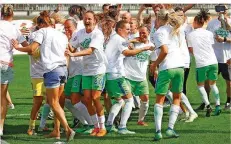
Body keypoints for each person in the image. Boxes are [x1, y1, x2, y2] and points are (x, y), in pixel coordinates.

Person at [12, 10, 75, 142]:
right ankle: (56, 131)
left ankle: (68, 129)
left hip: (51, 70)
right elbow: (67, 52)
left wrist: (17, 47)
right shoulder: (61, 34)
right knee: (57, 103)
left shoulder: (42, 32)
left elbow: (32, 49)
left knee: (53, 103)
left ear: (40, 24)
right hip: (63, 69)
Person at [104, 20, 153, 134]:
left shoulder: (115, 38)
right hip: (116, 75)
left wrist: (132, 40)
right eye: (127, 29)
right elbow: (127, 53)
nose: (129, 31)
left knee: (119, 101)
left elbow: (125, 43)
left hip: (110, 75)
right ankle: (122, 127)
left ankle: (109, 124)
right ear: (120, 30)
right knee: (129, 100)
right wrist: (144, 48)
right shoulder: (119, 39)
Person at [66, 10, 107, 137]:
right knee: (88, 99)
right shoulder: (80, 33)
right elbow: (72, 46)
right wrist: (66, 44)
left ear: (95, 20)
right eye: (85, 19)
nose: (87, 21)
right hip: (86, 70)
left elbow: (90, 50)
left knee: (95, 98)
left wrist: (73, 54)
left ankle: (103, 127)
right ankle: (95, 127)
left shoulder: (97, 34)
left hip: (98, 69)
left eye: (89, 19)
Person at [151, 9, 185, 141]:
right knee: (176, 97)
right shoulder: (175, 28)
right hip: (179, 67)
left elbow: (164, 51)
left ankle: (158, 131)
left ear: (158, 19)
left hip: (167, 67)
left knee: (159, 100)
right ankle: (170, 128)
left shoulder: (159, 32)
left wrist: (154, 64)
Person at [0, 4, 28, 136]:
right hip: (6, 63)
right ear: (12, 15)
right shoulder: (14, 29)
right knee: (2, 97)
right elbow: (26, 46)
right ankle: (0, 127)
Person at [187, 9, 221, 116]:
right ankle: (218, 104)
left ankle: (207, 105)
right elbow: (210, 45)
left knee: (200, 86)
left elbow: (191, 49)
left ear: (196, 22)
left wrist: (196, 54)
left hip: (202, 63)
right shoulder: (209, 33)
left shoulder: (190, 35)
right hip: (213, 61)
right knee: (213, 84)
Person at [63, 18, 94, 134]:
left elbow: (72, 49)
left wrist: (66, 40)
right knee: (66, 100)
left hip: (79, 72)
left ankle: (91, 124)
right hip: (72, 73)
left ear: (74, 27)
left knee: (76, 100)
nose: (66, 30)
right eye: (65, 27)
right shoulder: (70, 36)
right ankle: (86, 123)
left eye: (68, 27)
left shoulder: (77, 35)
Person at [124, 25, 155, 126]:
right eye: (140, 33)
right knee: (125, 100)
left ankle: (140, 120)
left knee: (145, 99)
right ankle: (121, 121)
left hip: (141, 77)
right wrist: (133, 40)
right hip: (128, 75)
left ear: (148, 33)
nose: (142, 35)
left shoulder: (151, 46)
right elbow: (124, 43)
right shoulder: (134, 43)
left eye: (144, 33)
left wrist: (155, 69)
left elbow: (153, 59)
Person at [206, 5, 231, 110]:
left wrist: (225, 39)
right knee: (208, 80)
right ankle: (206, 102)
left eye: (224, 9)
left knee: (229, 82)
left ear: (227, 10)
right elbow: (207, 37)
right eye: (219, 9)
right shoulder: (212, 23)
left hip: (228, 57)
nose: (221, 11)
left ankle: (228, 102)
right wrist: (214, 39)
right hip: (213, 57)